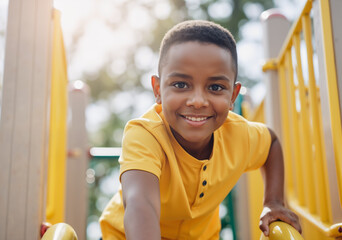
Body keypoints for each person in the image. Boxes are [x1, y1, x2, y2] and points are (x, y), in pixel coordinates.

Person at [100, 20, 301, 240]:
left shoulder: (238, 134)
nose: (197, 101)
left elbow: (271, 143)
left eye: (215, 87)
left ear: (233, 96)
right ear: (158, 90)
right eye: (180, 84)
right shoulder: (145, 135)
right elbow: (141, 205)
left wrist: (273, 202)